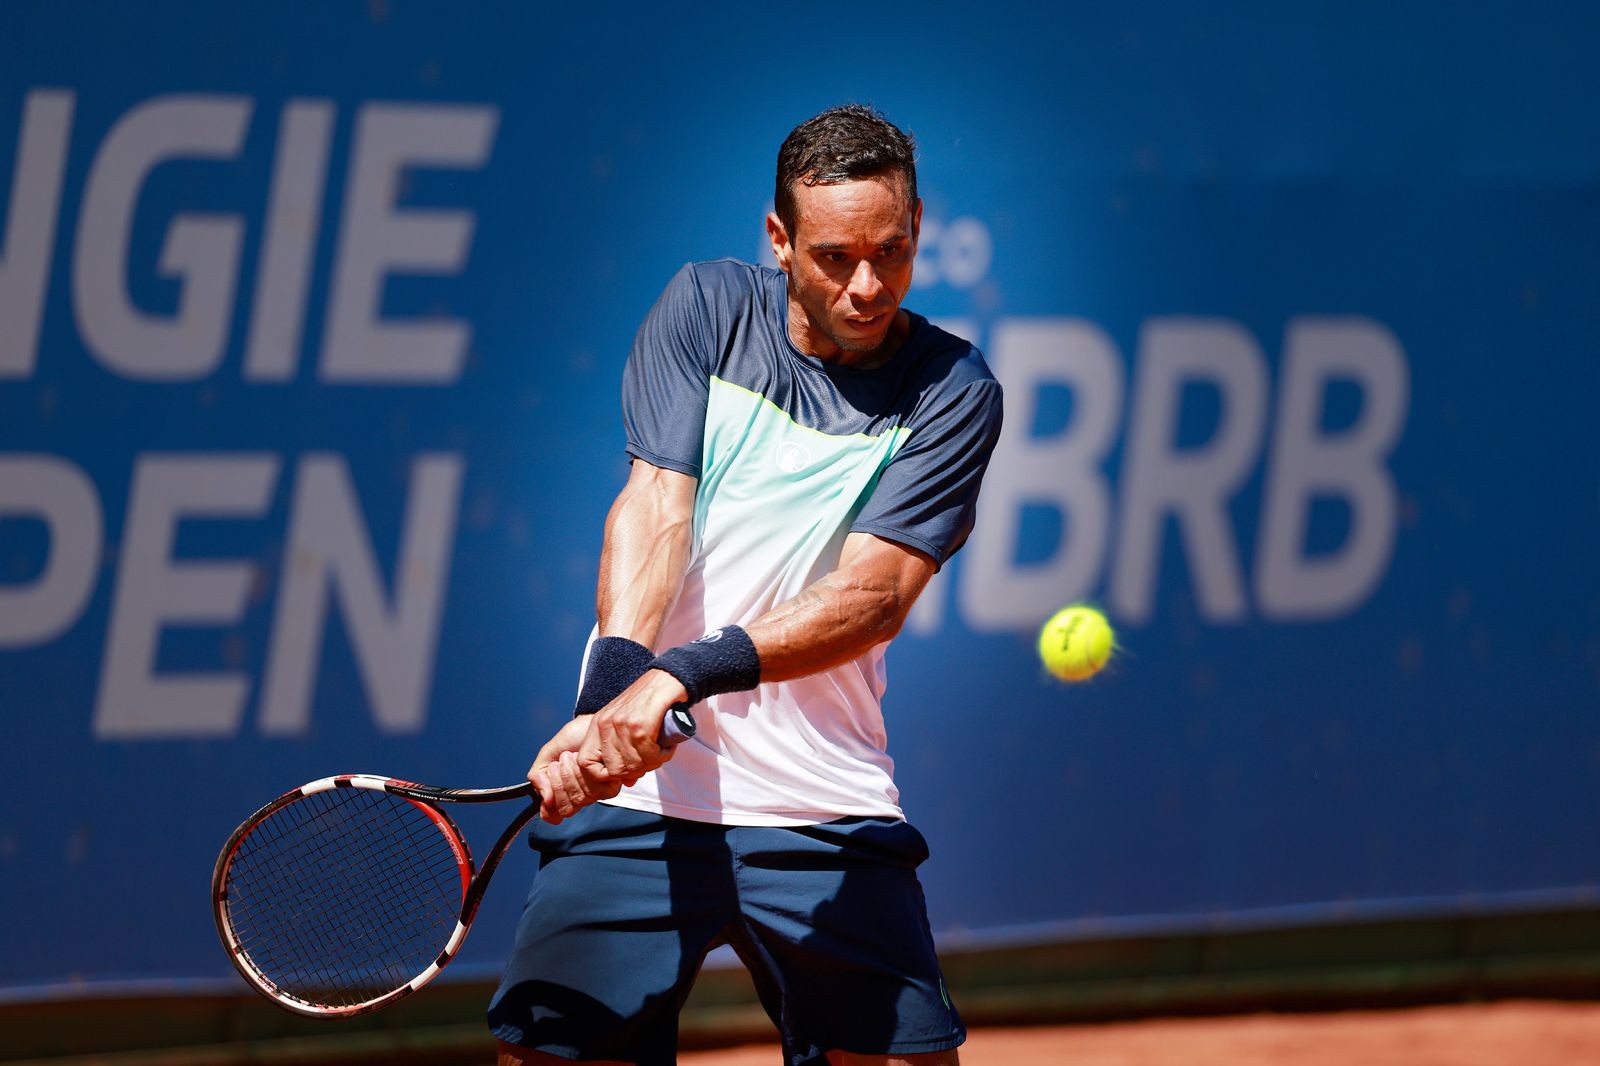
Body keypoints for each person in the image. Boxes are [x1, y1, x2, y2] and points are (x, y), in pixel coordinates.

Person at [489, 104, 1003, 1066]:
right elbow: (655, 506)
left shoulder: (952, 388)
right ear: (779, 240)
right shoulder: (706, 307)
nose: (866, 286)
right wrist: (612, 699)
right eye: (834, 256)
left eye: (891, 253)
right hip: (641, 807)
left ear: (918, 227)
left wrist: (679, 676)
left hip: (822, 799)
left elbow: (874, 595)